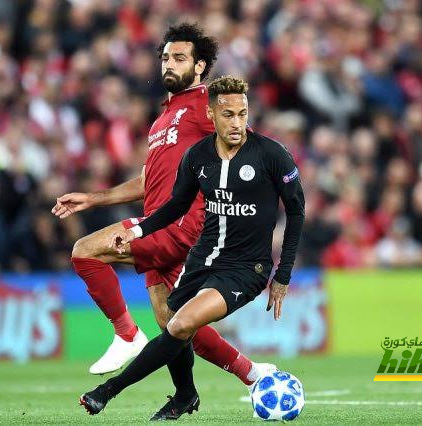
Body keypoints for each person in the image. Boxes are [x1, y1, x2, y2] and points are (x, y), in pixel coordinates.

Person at [52, 23, 273, 384]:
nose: (169, 64)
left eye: (179, 58)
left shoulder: (206, 104)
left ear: (199, 66)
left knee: (85, 251)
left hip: (182, 224)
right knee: (175, 323)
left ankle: (126, 334)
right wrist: (94, 198)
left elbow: (247, 146)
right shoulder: (163, 119)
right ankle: (253, 374)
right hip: (157, 222)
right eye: (166, 57)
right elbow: (147, 181)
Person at [79, 76, 305, 420]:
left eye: (243, 114)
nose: (237, 123)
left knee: (180, 324)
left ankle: (108, 391)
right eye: (228, 114)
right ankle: (185, 395)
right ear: (211, 114)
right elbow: (175, 206)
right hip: (203, 258)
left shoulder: (272, 155)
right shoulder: (197, 156)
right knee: (173, 323)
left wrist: (282, 274)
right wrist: (138, 231)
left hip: (246, 269)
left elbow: (297, 212)